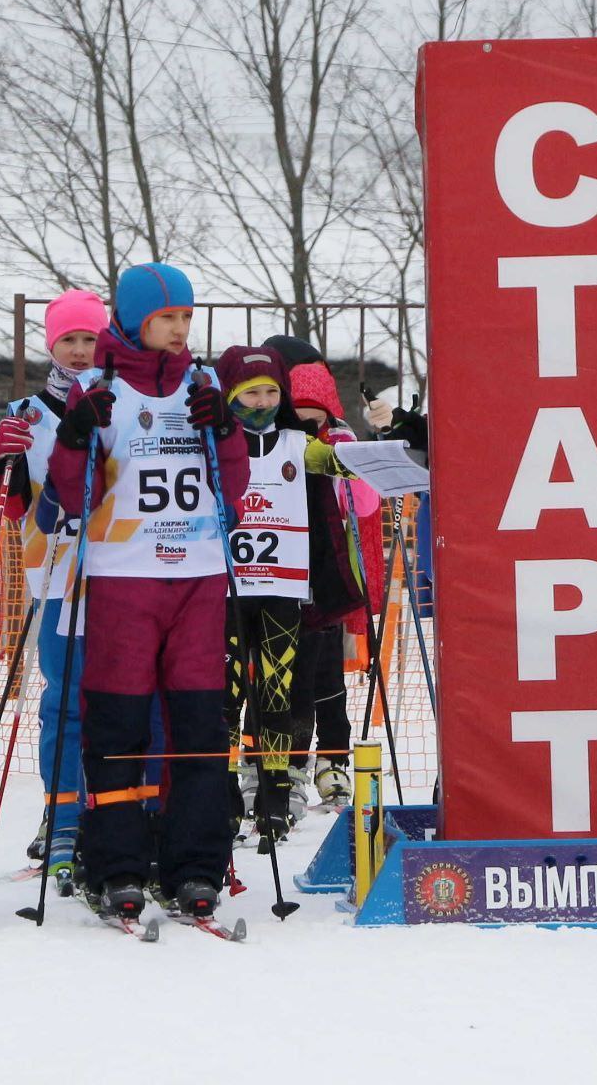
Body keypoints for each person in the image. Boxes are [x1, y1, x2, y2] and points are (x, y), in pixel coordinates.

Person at [49, 262, 249, 920]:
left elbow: (235, 489)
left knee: (197, 729)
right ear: (135, 319)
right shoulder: (95, 386)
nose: (179, 328)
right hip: (122, 577)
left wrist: (223, 429)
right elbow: (69, 495)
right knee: (120, 729)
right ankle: (116, 865)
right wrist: (77, 434)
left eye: (187, 318)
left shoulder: (204, 383)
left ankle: (196, 866)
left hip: (197, 576)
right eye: (168, 317)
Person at [215, 345, 362, 845]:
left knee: (277, 695)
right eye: (250, 392)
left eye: (271, 392)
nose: (261, 401)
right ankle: (226, 792)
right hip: (229, 591)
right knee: (227, 697)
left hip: (282, 590)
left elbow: (343, 463)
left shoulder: (297, 443)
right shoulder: (214, 441)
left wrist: (382, 448)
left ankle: (275, 792)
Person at [0, 288, 108, 880]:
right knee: (63, 699)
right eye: (70, 340)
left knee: (122, 700)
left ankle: (112, 810)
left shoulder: (125, 400)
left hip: (121, 569)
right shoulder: (27, 414)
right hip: (57, 575)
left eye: (90, 339)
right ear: (51, 345)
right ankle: (60, 814)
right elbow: (10, 508)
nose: (82, 351)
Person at [287, 360, 382, 810]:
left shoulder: (337, 442)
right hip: (284, 572)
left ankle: (332, 758)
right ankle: (285, 761)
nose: (308, 424)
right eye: (298, 413)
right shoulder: (280, 443)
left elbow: (364, 504)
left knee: (326, 672)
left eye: (315, 415)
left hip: (327, 573)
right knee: (290, 674)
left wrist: (351, 459)